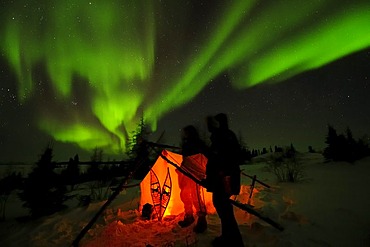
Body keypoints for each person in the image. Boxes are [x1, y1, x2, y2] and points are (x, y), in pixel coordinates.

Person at [205, 113, 244, 247]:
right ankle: (228, 237)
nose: (209, 126)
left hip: (223, 178)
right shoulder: (225, 135)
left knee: (224, 209)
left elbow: (224, 156)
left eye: (212, 123)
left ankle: (234, 241)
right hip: (223, 177)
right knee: (224, 208)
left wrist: (222, 172)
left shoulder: (222, 136)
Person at [177, 125, 208, 233]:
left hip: (195, 173)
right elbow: (186, 158)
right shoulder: (185, 144)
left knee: (196, 194)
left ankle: (202, 219)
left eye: (186, 132)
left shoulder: (199, 144)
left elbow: (203, 158)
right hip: (186, 171)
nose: (185, 134)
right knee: (184, 193)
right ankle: (189, 215)